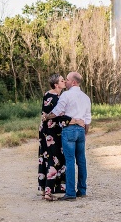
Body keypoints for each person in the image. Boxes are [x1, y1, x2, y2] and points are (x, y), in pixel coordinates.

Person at [45, 71, 92, 201]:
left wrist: (47, 116)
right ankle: (82, 190)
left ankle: (70, 193)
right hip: (81, 130)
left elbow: (57, 111)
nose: (65, 81)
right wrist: (85, 132)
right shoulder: (86, 97)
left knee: (70, 161)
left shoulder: (66, 94)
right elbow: (88, 118)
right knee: (81, 161)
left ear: (74, 82)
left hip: (69, 130)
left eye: (67, 79)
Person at [38, 73, 81, 201]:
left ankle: (47, 188)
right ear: (57, 85)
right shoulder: (56, 98)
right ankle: (48, 191)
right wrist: (74, 120)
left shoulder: (48, 94)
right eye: (62, 80)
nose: (65, 82)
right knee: (54, 158)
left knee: (47, 157)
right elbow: (59, 115)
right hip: (52, 132)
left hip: (46, 130)